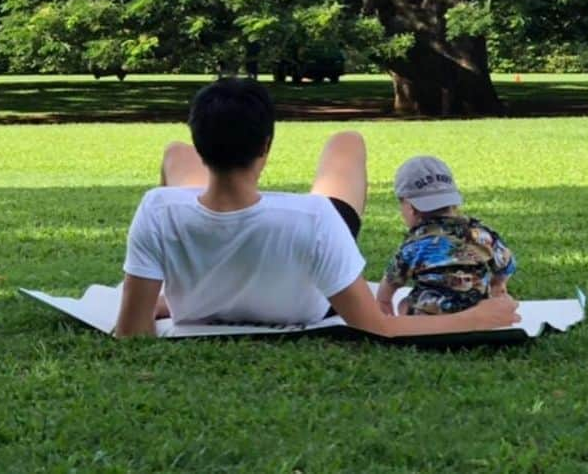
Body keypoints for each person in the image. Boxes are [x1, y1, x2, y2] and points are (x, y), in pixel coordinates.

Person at [115, 77, 520, 339]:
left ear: (205, 146)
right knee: (346, 141)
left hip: (204, 226)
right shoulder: (317, 218)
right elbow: (377, 326)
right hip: (304, 236)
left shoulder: (157, 208)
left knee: (174, 153)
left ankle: (200, 263)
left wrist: (163, 298)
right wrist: (477, 318)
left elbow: (130, 333)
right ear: (266, 148)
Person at [375, 155, 515, 317]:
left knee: (404, 304)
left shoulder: (413, 244)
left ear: (410, 207)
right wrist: (498, 284)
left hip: (430, 316)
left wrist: (383, 303)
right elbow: (506, 263)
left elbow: (392, 281)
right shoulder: (482, 234)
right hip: (476, 312)